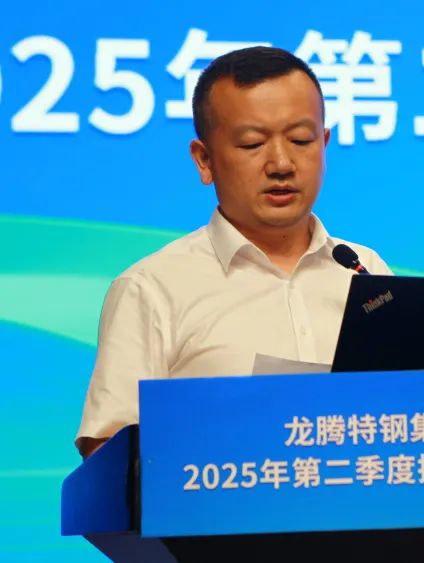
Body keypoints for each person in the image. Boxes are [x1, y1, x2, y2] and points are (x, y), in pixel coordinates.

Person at [75, 46, 392, 459]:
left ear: (324, 144)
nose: (281, 163)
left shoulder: (366, 272)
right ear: (204, 160)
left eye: (301, 140)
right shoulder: (151, 289)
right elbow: (108, 456)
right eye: (252, 143)